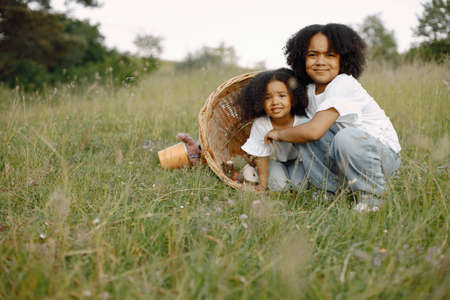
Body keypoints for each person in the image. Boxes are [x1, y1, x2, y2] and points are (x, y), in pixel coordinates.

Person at [265, 23, 401, 211]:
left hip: (379, 157)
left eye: (330, 55)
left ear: (343, 59)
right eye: (313, 55)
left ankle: (372, 197)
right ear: (301, 58)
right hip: (343, 157)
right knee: (303, 130)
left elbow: (314, 131)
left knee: (332, 134)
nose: (320, 61)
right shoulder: (309, 90)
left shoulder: (343, 83)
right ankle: (329, 192)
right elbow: (304, 130)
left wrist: (279, 134)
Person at [239, 68, 309, 191]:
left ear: (293, 98)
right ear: (260, 102)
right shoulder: (261, 124)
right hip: (273, 161)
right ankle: (251, 170)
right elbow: (262, 157)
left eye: (282, 96)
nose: (275, 102)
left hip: (298, 162)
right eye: (267, 98)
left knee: (301, 187)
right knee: (280, 187)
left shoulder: (303, 121)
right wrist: (262, 185)